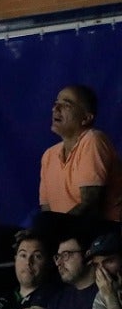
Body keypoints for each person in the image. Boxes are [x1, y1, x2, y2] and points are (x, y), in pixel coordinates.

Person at [38, 83, 122, 224]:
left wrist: (53, 229)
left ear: (86, 118)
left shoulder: (92, 140)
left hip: (104, 230)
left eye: (66, 105)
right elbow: (47, 212)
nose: (55, 109)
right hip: (67, 233)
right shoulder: (49, 155)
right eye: (55, 103)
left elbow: (90, 205)